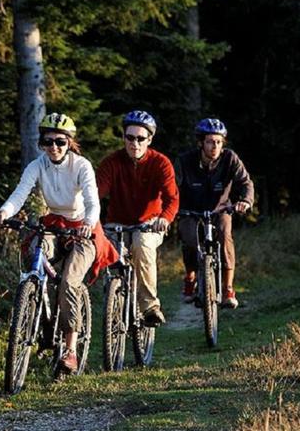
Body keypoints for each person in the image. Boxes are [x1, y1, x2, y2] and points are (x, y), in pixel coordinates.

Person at [0, 113, 117, 373]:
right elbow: (20, 193)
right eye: (48, 142)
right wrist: (3, 213)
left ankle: (70, 349)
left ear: (70, 142)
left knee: (70, 281)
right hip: (53, 225)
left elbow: (93, 202)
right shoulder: (37, 165)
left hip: (83, 230)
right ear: (41, 143)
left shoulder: (81, 166)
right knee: (36, 254)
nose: (54, 148)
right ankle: (36, 302)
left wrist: (87, 223)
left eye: (60, 142)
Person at [96, 110, 179, 326]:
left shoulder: (161, 163)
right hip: (116, 223)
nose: (135, 143)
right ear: (123, 137)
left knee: (142, 246)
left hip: (149, 223)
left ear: (149, 139)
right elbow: (95, 193)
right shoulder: (111, 163)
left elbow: (172, 198)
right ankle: (114, 300)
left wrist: (165, 218)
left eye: (141, 138)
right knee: (110, 254)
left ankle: (150, 307)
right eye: (130, 137)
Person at [176, 118, 253, 309]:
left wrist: (245, 201)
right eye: (210, 141)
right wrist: (170, 207)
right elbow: (172, 187)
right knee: (189, 237)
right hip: (190, 210)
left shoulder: (230, 159)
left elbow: (245, 182)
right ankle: (191, 276)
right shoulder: (185, 161)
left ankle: (227, 288)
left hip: (220, 209)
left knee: (224, 234)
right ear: (201, 142)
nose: (215, 146)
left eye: (219, 142)